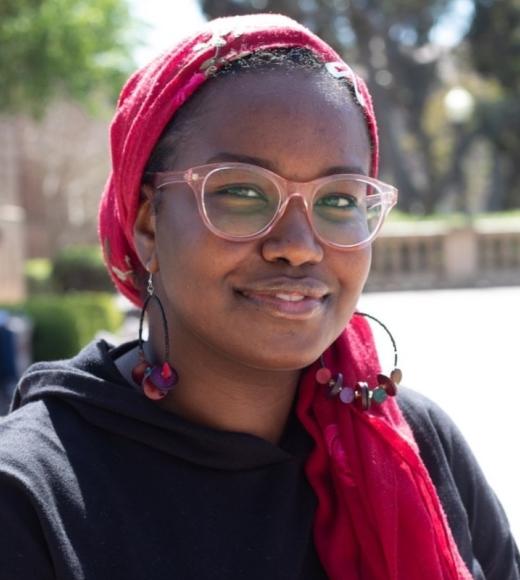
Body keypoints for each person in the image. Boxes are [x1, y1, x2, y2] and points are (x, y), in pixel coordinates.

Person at [0, 13, 518, 580]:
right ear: (149, 224)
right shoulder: (29, 495)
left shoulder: (413, 443)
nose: (298, 247)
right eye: (242, 192)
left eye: (340, 200)